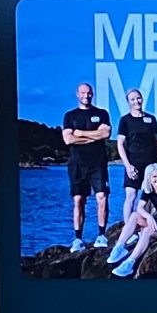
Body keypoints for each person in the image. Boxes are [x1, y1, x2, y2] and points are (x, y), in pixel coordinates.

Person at [60, 82, 113, 251]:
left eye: (89, 93)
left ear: (93, 94)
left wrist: (81, 134)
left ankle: (101, 235)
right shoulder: (70, 116)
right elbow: (68, 139)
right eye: (83, 93)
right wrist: (95, 136)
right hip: (77, 163)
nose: (86, 96)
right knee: (79, 200)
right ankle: (78, 239)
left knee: (102, 197)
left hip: (98, 163)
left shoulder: (102, 113)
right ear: (77, 94)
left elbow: (106, 133)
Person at [114, 87, 157, 228]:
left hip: (150, 164)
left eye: (138, 98)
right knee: (131, 196)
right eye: (133, 99)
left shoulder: (151, 119)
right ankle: (128, 228)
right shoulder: (125, 120)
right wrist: (127, 165)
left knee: (148, 196)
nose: (136, 101)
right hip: (133, 164)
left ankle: (145, 227)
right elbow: (120, 144)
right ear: (128, 102)